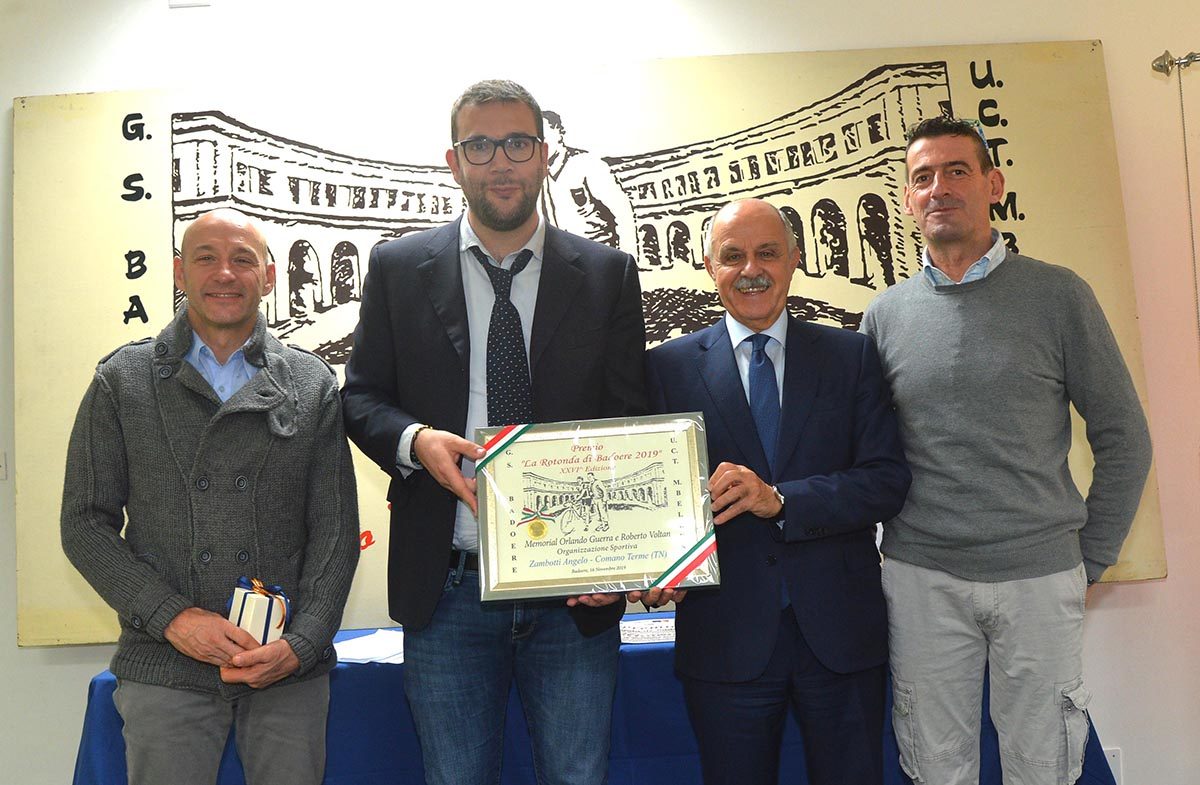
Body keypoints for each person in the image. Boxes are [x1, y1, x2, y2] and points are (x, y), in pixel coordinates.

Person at [340, 79, 646, 785]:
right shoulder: (397, 269)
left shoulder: (606, 275)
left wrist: (623, 562)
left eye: (517, 143)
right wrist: (416, 441)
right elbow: (360, 397)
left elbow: (627, 423)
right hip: (448, 585)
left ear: (544, 156)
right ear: (454, 162)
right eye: (480, 145)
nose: (500, 161)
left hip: (574, 591)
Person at [859, 116, 1153, 785]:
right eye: (923, 177)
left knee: (1043, 764)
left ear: (993, 184)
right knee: (934, 765)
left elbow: (1124, 434)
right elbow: (870, 455)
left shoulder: (1059, 295)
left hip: (1039, 577)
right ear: (908, 199)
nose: (939, 188)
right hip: (921, 578)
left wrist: (1091, 557)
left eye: (957, 171)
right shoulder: (884, 316)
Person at [60, 208, 360, 785]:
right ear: (180, 272)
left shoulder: (311, 382)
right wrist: (173, 618)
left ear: (268, 277)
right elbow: (84, 524)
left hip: (285, 672)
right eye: (206, 258)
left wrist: (303, 643)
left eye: (243, 259)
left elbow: (335, 531)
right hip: (165, 665)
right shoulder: (122, 379)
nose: (225, 273)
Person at [638, 198, 911, 785]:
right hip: (723, 636)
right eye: (732, 256)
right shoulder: (666, 369)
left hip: (840, 634)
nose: (751, 270)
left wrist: (782, 500)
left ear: (793, 259)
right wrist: (652, 567)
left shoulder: (851, 356)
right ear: (710, 267)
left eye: (767, 253)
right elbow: (650, 496)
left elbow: (885, 481)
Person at [541, 109, 638, 254]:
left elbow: (622, 212)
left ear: (559, 133)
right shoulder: (539, 177)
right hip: (569, 259)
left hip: (601, 255)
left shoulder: (587, 164)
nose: (541, 144)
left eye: (544, 136)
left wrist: (628, 260)